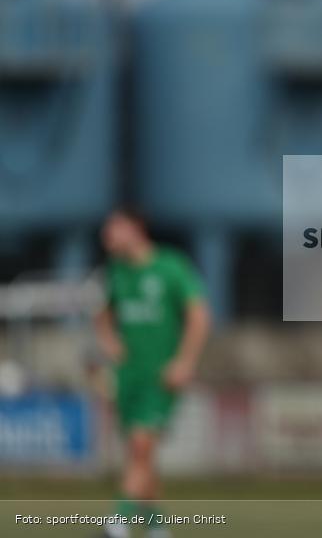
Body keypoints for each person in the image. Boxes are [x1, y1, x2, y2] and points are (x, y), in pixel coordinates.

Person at [95, 208, 210, 538]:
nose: (108, 237)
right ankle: (158, 527)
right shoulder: (116, 272)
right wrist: (110, 343)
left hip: (161, 376)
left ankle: (115, 524)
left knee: (142, 447)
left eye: (114, 229)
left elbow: (199, 316)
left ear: (136, 229)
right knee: (139, 455)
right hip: (127, 376)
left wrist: (185, 361)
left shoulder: (170, 266)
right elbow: (101, 316)